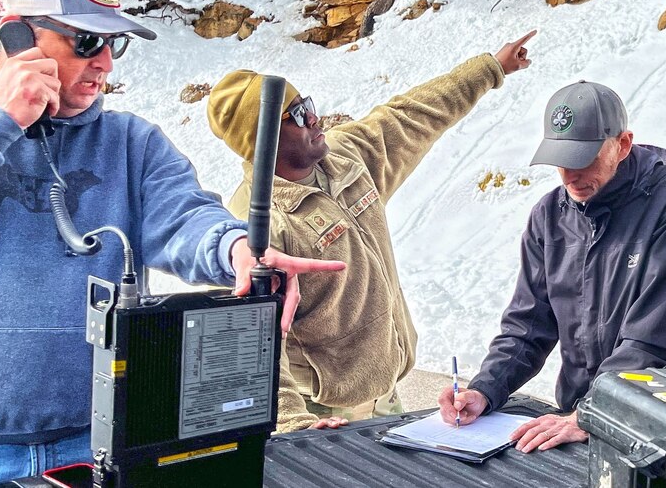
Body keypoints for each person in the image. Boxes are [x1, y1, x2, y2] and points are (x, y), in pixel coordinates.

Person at [0, 0, 344, 488]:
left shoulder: (131, 143)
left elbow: (185, 215)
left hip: (101, 440)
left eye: (115, 43)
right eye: (87, 41)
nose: (106, 62)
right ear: (17, 35)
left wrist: (235, 249)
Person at [206, 31, 536, 432]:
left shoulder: (344, 158)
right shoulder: (257, 224)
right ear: (261, 142)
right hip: (326, 417)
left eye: (306, 104)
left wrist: (491, 68)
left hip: (388, 398)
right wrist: (293, 424)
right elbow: (250, 343)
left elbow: (411, 116)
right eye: (295, 115)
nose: (314, 117)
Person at [437, 81, 666, 452]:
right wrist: (485, 389)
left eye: (584, 159)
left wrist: (590, 414)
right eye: (561, 161)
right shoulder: (549, 215)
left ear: (623, 145)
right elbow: (527, 326)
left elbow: (652, 340)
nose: (570, 176)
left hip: (650, 425)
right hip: (574, 415)